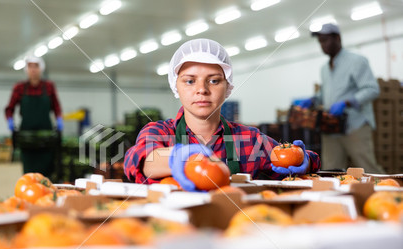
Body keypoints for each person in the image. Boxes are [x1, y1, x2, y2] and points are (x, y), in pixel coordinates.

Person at [124, 39, 320, 190]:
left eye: (214, 81)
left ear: (228, 86)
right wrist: (180, 158)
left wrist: (304, 160)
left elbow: (298, 158)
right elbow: (138, 160)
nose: (201, 89)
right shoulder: (160, 132)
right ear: (176, 85)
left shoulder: (250, 140)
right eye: (190, 81)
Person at [295, 23, 384, 173]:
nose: (322, 45)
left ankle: (387, 194)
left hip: (355, 125)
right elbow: (325, 94)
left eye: (325, 40)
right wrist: (313, 100)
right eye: (320, 41)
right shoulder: (324, 68)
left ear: (337, 38)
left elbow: (372, 89)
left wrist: (347, 102)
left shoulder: (356, 61)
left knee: (367, 168)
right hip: (331, 127)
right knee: (330, 170)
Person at [5, 56, 63, 178]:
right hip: (27, 138)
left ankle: (47, 195)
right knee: (29, 173)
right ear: (26, 69)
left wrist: (59, 119)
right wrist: (10, 120)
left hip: (46, 138)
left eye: (36, 66)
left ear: (41, 69)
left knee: (47, 171)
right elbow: (9, 108)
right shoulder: (19, 88)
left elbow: (57, 107)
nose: (33, 69)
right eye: (30, 66)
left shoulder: (49, 86)